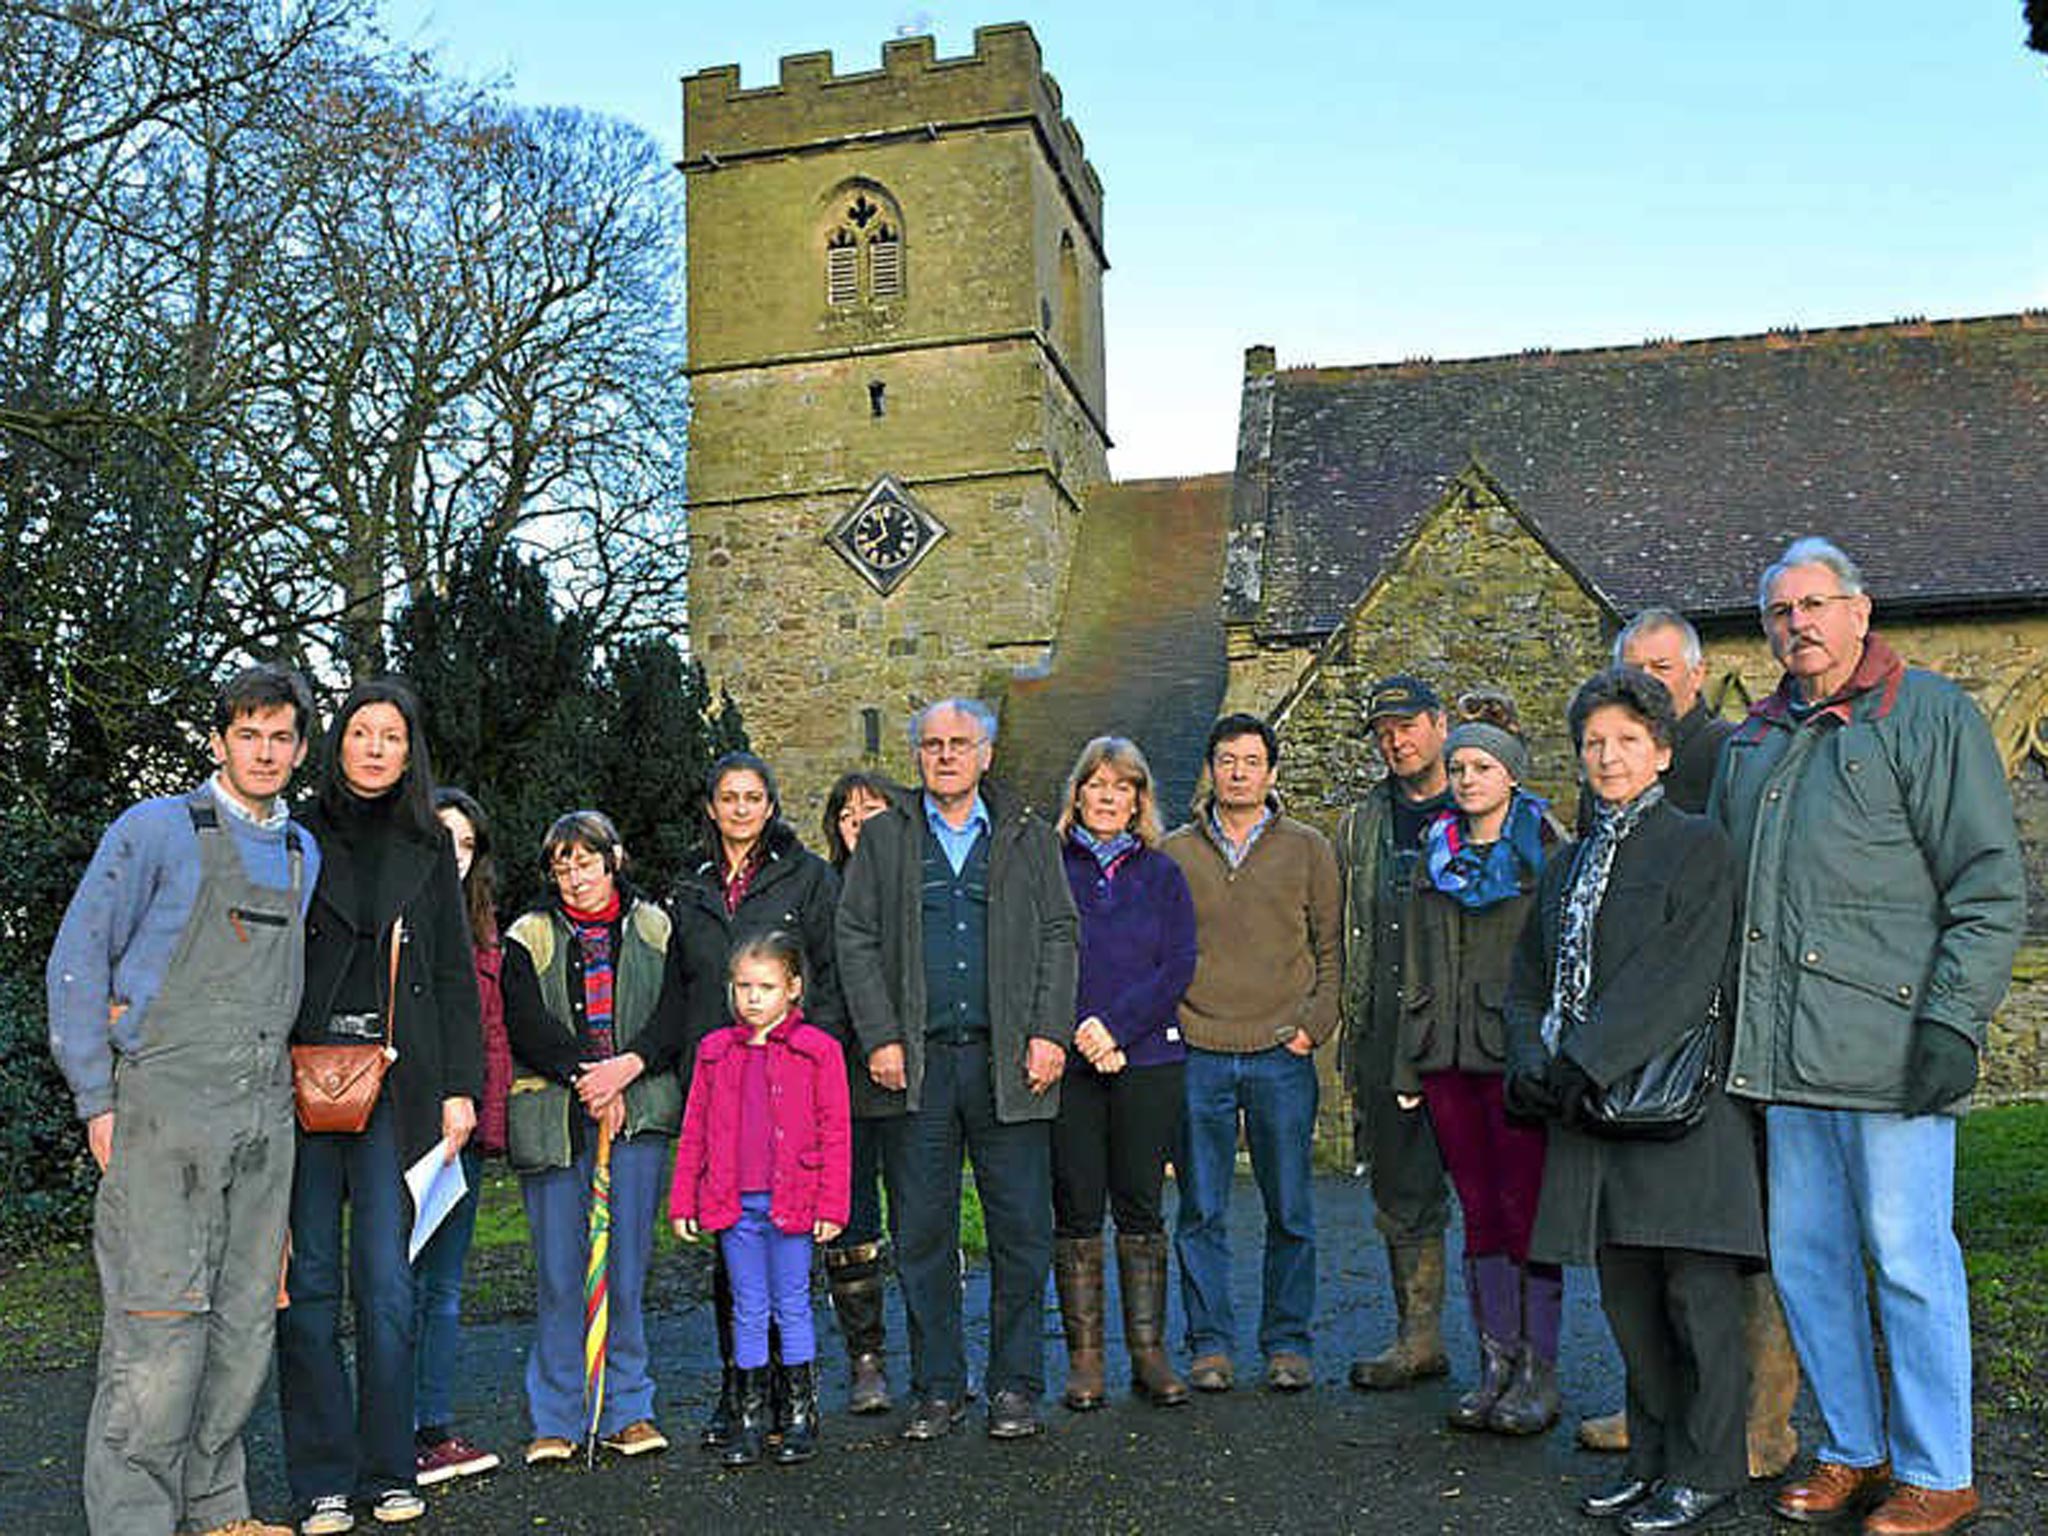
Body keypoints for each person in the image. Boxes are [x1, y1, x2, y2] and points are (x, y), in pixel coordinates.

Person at [1710, 538, 2024, 1536]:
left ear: (1857, 610)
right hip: (1784, 1055)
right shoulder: (1753, 739)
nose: (1795, 625)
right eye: (1777, 612)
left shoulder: (1926, 714)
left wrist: (1949, 1021)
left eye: (1813, 604)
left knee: (1905, 1257)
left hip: (1890, 1049)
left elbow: (1984, 883)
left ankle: (1938, 1469)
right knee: (1806, 1261)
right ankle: (1852, 1449)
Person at [48, 664, 320, 1536]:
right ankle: (134, 1521)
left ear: (300, 749)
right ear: (218, 742)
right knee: (158, 1329)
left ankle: (217, 1510)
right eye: (249, 734)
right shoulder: (156, 830)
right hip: (163, 1112)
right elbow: (79, 960)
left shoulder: (298, 850)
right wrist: (98, 1096)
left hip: (263, 1116)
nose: (265, 751)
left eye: (281, 736)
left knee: (244, 1327)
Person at [1505, 665, 1764, 1534]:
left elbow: (1680, 977)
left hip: (1679, 1118)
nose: (1607, 757)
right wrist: (1527, 1062)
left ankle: (1712, 1471)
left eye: (1625, 741)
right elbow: (1527, 979)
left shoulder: (1699, 845)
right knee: (1629, 1309)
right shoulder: (1567, 861)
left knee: (1699, 1308)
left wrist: (1582, 1058)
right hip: (1595, 1121)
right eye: (1592, 743)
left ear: (1659, 751)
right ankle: (1653, 1466)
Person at [1574, 610, 1799, 1481]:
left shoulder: (1728, 755)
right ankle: (1665, 1411)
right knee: (1647, 1240)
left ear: (1697, 677)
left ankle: (1760, 1422)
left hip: (1716, 1034)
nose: (1651, 679)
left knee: (1732, 1240)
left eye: (1664, 667)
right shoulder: (1613, 761)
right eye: (1634, 667)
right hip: (1634, 1048)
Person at [835, 698, 1078, 1441]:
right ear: (919, 757)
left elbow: (1061, 932)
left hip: (1011, 1065)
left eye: (959, 743)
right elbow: (855, 937)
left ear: (987, 754)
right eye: (933, 744)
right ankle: (938, 1385)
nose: (945, 755)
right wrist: (879, 1036)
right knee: (922, 1232)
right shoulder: (882, 839)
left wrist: (1048, 1031)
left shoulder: (1029, 837)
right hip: (917, 1068)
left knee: (1020, 1231)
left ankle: (1015, 1386)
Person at [280, 679, 482, 1535]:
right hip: (299, 1084)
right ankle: (322, 1479)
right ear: (337, 743)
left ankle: (389, 1467)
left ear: (410, 751)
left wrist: (461, 1087)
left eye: (390, 735)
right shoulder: (294, 835)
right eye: (360, 732)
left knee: (389, 1287)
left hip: (399, 1086)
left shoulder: (429, 846)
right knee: (310, 1283)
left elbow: (451, 971)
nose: (373, 747)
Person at [1390, 694, 1564, 1436]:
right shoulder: (1434, 852)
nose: (1465, 778)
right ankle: (1494, 1365)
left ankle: (1538, 1374)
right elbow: (1414, 963)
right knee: (1479, 1214)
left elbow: (1562, 961)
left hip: (1515, 1056)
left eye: (1482, 767)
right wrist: (1408, 1064)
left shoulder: (1544, 851)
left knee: (1528, 1215)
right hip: (1444, 1055)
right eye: (1458, 766)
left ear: (1512, 777)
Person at [666, 753, 845, 1446]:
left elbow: (827, 970)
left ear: (770, 805)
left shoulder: (807, 876)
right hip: (717, 1076)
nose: (741, 808)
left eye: (753, 797)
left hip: (789, 1080)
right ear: (711, 806)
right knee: (736, 1274)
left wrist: (808, 1055)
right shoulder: (691, 885)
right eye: (728, 797)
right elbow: (677, 983)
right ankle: (739, 1393)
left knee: (790, 1279)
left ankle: (791, 1398)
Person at [501, 810, 688, 1468]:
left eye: (586, 862)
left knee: (625, 1266)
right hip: (557, 1119)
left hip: (635, 1113)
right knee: (560, 1271)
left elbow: (673, 1013)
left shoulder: (655, 926)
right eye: (562, 865)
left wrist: (625, 1071)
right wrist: (587, 1080)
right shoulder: (529, 933)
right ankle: (556, 1416)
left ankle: (627, 1410)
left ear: (614, 861)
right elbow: (525, 1022)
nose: (574, 877)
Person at [1162, 712, 1341, 1393]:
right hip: (1200, 1049)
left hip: (1279, 1051)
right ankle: (1210, 1344)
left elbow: (1331, 948)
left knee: (1289, 1206)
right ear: (1210, 769)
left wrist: (1312, 1026)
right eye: (1227, 760)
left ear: (1272, 772)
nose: (1238, 771)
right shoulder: (1176, 852)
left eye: (1251, 760)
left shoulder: (1308, 848)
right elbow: (1160, 948)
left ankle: (1287, 1342)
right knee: (1201, 1208)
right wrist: (1176, 1024)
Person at [1052, 737, 1198, 1409]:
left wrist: (1117, 1028)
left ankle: (1148, 1353)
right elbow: (1041, 959)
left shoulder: (1162, 874)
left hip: (1148, 1058)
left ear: (1140, 799)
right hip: (1071, 1063)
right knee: (1078, 1209)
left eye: (1123, 786)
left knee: (1141, 1206)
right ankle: (1086, 1363)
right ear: (1077, 793)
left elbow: (1177, 964)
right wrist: (1084, 1032)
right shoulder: (1051, 868)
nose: (1108, 797)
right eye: (1097, 784)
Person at [670, 931, 852, 1467]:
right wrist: (685, 1201)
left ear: (793, 988)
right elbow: (695, 1130)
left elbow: (836, 1131)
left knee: (792, 1304)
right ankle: (749, 1418)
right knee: (748, 1309)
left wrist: (831, 1206)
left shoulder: (819, 1051)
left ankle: (799, 1413)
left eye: (766, 986)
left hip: (794, 1201)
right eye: (743, 985)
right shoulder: (714, 1052)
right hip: (733, 1204)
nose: (753, 997)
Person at [1335, 675, 1456, 1393]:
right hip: (1387, 1034)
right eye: (1384, 731)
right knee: (1402, 1192)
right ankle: (1418, 1339)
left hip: (1472, 1041)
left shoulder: (1486, 800)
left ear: (1440, 724)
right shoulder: (1361, 825)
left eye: (1408, 725)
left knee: (1501, 1199)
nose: (1396, 740)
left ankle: (1519, 1357)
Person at [409, 788, 510, 1485]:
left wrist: (484, 1122)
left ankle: (432, 1430)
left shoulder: (483, 933)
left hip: (462, 1132)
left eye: (468, 844)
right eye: (444, 838)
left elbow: (494, 1037)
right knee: (394, 1285)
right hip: (397, 1130)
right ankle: (388, 1430)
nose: (455, 855)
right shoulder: (391, 921)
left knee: (442, 1288)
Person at [818, 770, 904, 1413]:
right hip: (838, 1081)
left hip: (906, 1076)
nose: (860, 820)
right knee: (850, 1222)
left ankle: (937, 1355)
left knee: (921, 1215)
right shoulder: (821, 894)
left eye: (873, 810)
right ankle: (866, 1359)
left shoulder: (919, 888)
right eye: (848, 814)